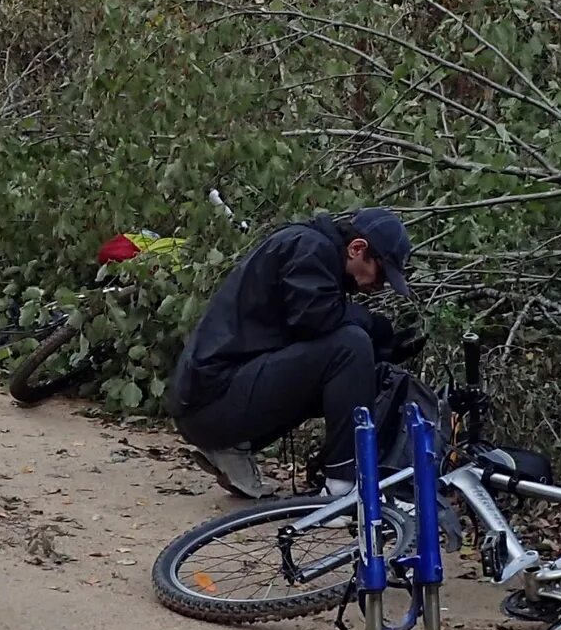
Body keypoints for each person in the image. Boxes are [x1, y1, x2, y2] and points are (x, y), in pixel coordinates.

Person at [170, 208, 415, 499]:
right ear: (357, 248)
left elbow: (309, 346)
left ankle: (234, 450)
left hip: (209, 402)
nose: (379, 285)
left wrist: (379, 350)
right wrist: (372, 326)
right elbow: (315, 320)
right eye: (382, 272)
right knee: (351, 345)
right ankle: (342, 485)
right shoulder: (309, 248)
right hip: (210, 403)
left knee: (355, 356)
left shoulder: (316, 253)